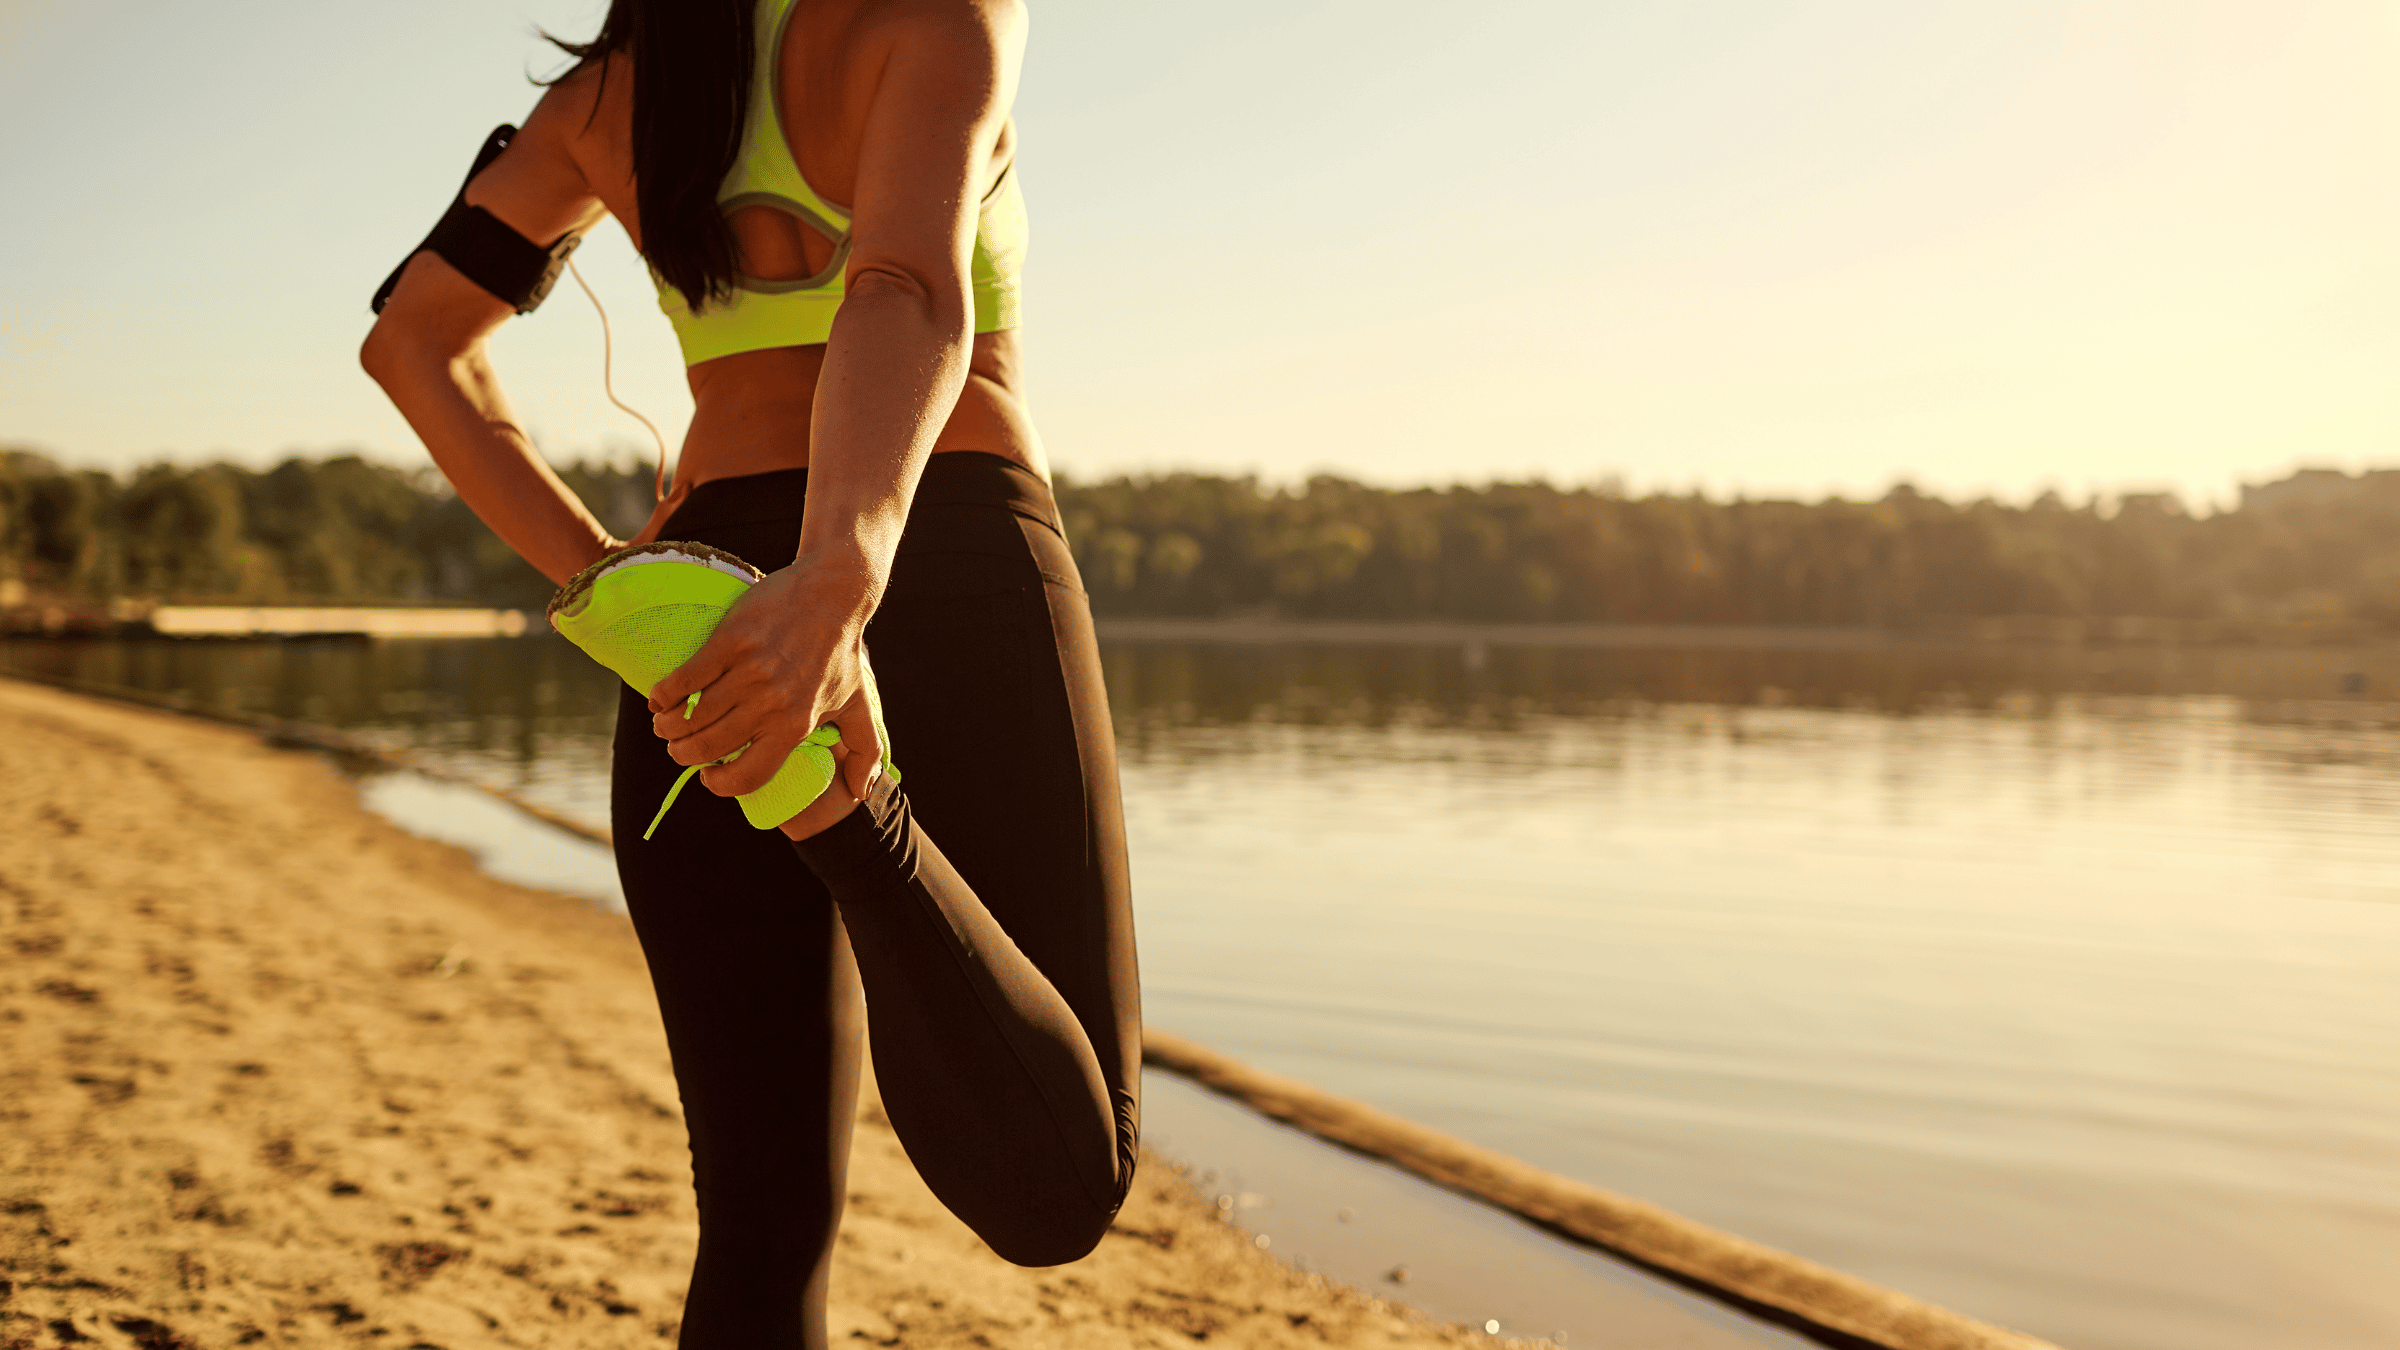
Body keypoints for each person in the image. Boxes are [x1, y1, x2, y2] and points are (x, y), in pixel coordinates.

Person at [359, 2, 1141, 1345]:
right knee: (1068, 1176)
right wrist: (839, 572)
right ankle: (852, 813)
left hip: (707, 600)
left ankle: (841, 812)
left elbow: (412, 343)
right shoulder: (936, 15)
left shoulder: (614, 95)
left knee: (762, 1220)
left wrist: (610, 575)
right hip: (939, 543)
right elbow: (901, 281)